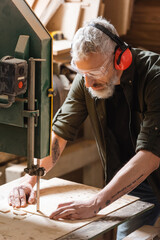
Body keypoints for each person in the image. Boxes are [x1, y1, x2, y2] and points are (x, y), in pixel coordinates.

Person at [8, 17, 160, 239]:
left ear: (120, 58)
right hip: (136, 184)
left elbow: (151, 154)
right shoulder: (86, 79)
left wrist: (96, 202)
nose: (88, 84)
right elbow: (60, 132)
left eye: (95, 73)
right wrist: (32, 176)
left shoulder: (155, 78)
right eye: (82, 74)